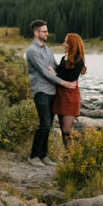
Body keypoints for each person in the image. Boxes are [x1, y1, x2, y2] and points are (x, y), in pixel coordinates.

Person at [25, 19, 76, 167]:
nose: (47, 33)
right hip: (41, 91)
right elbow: (44, 72)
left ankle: (43, 155)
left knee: (48, 125)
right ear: (36, 32)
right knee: (45, 124)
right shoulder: (32, 51)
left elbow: (55, 68)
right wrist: (64, 83)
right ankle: (33, 156)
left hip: (53, 92)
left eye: (47, 31)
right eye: (44, 31)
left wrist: (71, 69)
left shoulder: (48, 50)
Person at [53, 33, 86, 149]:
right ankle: (67, 154)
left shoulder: (78, 59)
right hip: (60, 94)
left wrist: (55, 74)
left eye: (66, 42)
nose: (64, 44)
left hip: (70, 96)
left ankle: (69, 155)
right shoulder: (64, 58)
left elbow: (71, 77)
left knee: (67, 128)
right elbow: (61, 75)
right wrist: (57, 75)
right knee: (62, 127)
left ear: (72, 44)